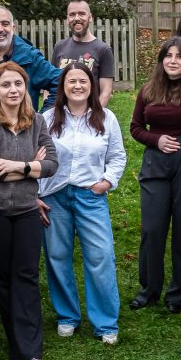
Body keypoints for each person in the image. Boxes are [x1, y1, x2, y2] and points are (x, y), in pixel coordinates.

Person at [0, 62, 59, 360]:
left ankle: (30, 351)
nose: (13, 90)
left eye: (18, 84)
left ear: (26, 88)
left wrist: (17, 167)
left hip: (25, 210)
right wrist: (29, 165)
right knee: (4, 278)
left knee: (26, 276)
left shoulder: (36, 121)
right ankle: (18, 347)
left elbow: (51, 164)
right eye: (6, 84)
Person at [38, 61, 127, 344]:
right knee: (57, 256)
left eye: (83, 81)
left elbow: (118, 156)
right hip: (55, 196)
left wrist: (107, 182)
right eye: (71, 81)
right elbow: (37, 158)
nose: (77, 86)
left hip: (91, 196)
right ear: (63, 87)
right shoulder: (47, 118)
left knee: (100, 256)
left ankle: (105, 322)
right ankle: (67, 316)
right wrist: (37, 193)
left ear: (91, 86)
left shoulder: (106, 118)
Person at [129, 37, 181, 313]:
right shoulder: (148, 90)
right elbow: (135, 127)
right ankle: (149, 289)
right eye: (168, 55)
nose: (173, 60)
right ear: (161, 60)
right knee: (152, 229)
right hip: (156, 163)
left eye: (180, 56)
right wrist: (156, 139)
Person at [0, 5, 61, 113]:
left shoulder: (29, 57)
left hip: (18, 128)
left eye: (5, 24)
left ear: (13, 28)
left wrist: (43, 116)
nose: (0, 29)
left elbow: (61, 80)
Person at [51, 0, 116, 106]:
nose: (77, 18)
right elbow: (51, 84)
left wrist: (93, 117)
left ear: (90, 17)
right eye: (72, 14)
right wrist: (49, 112)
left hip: (90, 116)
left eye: (81, 14)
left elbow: (106, 90)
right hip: (61, 116)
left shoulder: (103, 50)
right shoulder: (59, 47)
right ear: (67, 19)